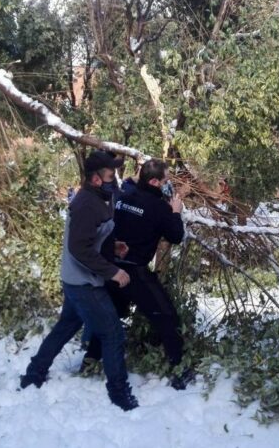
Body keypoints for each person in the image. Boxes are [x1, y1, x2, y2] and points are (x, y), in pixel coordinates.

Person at [19, 150, 139, 411]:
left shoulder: (100, 197)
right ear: (96, 179)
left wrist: (113, 246)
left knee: (65, 327)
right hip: (84, 284)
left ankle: (34, 373)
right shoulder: (86, 203)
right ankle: (119, 393)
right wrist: (112, 271)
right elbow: (79, 249)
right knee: (113, 334)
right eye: (110, 175)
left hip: (75, 279)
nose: (114, 179)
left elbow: (91, 240)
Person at [82, 159, 194, 390]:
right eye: (165, 180)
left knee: (109, 315)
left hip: (111, 269)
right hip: (135, 273)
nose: (168, 184)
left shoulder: (124, 198)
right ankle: (180, 369)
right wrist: (175, 212)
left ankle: (89, 362)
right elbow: (175, 236)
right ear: (154, 181)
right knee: (167, 316)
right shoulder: (158, 207)